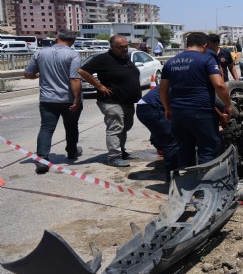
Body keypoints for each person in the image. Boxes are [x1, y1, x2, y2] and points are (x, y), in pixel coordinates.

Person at [159, 32, 233, 168]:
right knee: (208, 148)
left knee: (185, 149)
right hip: (201, 112)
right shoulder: (206, 60)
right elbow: (219, 84)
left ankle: (187, 183)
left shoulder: (170, 62)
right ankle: (205, 185)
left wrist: (167, 108)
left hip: (178, 113)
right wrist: (228, 105)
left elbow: (163, 89)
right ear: (205, 45)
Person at [23, 29, 83, 174]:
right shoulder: (73, 54)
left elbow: (28, 74)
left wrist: (40, 74)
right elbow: (74, 78)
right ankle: (72, 151)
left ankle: (42, 159)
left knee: (46, 128)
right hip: (67, 99)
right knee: (71, 126)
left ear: (56, 38)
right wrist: (77, 99)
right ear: (73, 41)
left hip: (47, 99)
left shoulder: (40, 53)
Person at [78, 35, 141, 167]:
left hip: (127, 101)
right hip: (111, 101)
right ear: (112, 47)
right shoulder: (103, 59)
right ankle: (114, 156)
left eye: (126, 46)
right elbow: (82, 71)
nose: (124, 49)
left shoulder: (125, 57)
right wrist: (100, 86)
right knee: (116, 127)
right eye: (121, 47)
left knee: (126, 126)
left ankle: (121, 151)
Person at [136, 86, 178, 182]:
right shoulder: (188, 81)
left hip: (150, 106)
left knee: (169, 136)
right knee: (171, 142)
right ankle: (173, 178)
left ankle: (159, 143)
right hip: (151, 108)